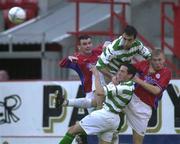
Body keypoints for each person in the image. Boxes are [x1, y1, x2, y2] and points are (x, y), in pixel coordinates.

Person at [58, 63, 137, 144]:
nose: (119, 73)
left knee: (72, 131)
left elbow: (99, 92)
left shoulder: (124, 88)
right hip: (114, 120)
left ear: (130, 75)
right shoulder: (126, 85)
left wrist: (96, 75)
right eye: (119, 70)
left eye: (123, 72)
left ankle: (82, 137)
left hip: (106, 115)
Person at [124, 49, 171, 144]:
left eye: (160, 60)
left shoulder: (166, 72)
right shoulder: (144, 64)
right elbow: (127, 69)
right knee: (112, 120)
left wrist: (138, 80)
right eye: (155, 60)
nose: (157, 63)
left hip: (144, 108)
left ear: (164, 60)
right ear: (150, 60)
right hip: (132, 98)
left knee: (137, 141)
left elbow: (156, 91)